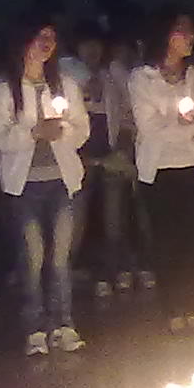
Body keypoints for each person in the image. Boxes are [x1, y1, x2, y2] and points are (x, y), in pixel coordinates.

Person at [0, 13, 92, 355]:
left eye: (51, 37)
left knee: (60, 257)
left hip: (62, 181)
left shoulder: (65, 86)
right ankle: (34, 326)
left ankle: (63, 323)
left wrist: (63, 131)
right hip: (24, 186)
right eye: (39, 36)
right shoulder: (2, 90)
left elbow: (82, 130)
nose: (46, 44)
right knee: (32, 257)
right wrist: (33, 133)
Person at [129, 6, 194, 332]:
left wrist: (187, 124)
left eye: (192, 30)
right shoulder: (142, 77)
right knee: (166, 241)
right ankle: (172, 308)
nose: (190, 37)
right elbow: (148, 126)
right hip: (158, 168)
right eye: (182, 30)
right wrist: (186, 126)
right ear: (166, 34)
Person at [62, 19, 138, 297]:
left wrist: (122, 147)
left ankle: (113, 270)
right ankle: (66, 273)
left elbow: (128, 114)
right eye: (86, 43)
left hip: (110, 154)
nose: (92, 49)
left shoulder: (112, 75)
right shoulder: (65, 74)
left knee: (113, 216)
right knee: (76, 218)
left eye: (96, 43)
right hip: (78, 157)